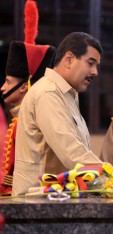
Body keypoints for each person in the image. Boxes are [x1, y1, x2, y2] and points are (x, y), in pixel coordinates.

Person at [12, 31, 104, 196]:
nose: (95, 72)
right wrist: (112, 176)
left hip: (56, 198)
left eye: (97, 66)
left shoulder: (68, 94)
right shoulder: (48, 92)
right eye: (90, 63)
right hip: (36, 202)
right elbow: (70, 151)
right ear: (69, 59)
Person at [0, 0, 55, 195]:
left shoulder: (28, 122)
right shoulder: (17, 118)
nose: (3, 87)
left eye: (7, 81)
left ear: (24, 86)